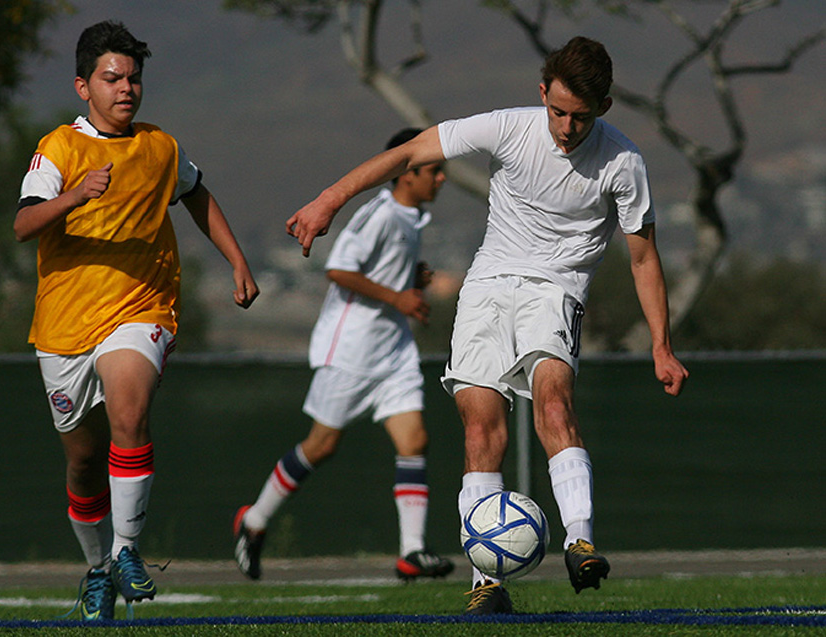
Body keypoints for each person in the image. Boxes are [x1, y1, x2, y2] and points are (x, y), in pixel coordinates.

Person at [285, 36, 689, 614]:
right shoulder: (508, 127)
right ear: (542, 93)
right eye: (557, 111)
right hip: (487, 288)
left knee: (554, 404)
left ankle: (580, 541)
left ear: (602, 109)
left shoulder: (623, 162)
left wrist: (661, 347)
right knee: (480, 432)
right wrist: (330, 199)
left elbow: (644, 258)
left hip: (557, 291)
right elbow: (409, 153)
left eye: (580, 117)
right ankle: (486, 583)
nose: (567, 127)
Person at [14, 21, 258, 621]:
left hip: (141, 308)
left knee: (130, 408)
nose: (126, 88)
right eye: (112, 77)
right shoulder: (60, 149)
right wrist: (75, 195)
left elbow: (196, 194)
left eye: (134, 78)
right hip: (65, 327)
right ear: (83, 87)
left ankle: (126, 552)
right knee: (82, 461)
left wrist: (237, 261)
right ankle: (98, 570)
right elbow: (24, 224)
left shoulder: (160, 148)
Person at [233, 128, 455, 582]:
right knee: (322, 445)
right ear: (407, 173)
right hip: (351, 348)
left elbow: (382, 270)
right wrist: (399, 298)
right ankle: (254, 521)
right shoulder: (380, 214)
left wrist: (411, 276)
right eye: (435, 170)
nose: (442, 179)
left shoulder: (411, 218)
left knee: (415, 440)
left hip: (392, 350)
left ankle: (412, 551)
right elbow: (339, 269)